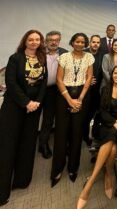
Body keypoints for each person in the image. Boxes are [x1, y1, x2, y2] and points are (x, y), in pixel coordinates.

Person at [77, 65, 117, 209]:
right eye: (115, 73)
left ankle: (90, 182)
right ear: (111, 75)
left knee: (113, 138)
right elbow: (102, 111)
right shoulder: (105, 89)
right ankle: (108, 174)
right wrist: (113, 123)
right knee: (113, 147)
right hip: (106, 124)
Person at [0, 29, 47, 206]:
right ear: (25, 41)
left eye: (37, 39)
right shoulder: (15, 58)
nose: (34, 42)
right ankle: (2, 191)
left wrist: (37, 103)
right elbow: (11, 83)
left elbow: (43, 83)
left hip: (33, 109)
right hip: (14, 108)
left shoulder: (42, 59)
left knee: (27, 144)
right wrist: (26, 102)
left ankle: (21, 180)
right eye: (31, 39)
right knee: (7, 146)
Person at [51, 33, 94, 187]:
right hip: (64, 96)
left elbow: (89, 78)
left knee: (77, 133)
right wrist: (70, 100)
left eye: (83, 42)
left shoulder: (89, 57)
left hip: (82, 96)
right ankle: (57, 169)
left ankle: (72, 168)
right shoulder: (64, 57)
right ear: (72, 42)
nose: (80, 44)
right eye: (77, 41)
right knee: (61, 133)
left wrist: (80, 100)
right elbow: (58, 79)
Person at [38, 30, 67, 159]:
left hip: (60, 89)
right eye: (51, 40)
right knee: (48, 118)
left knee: (61, 117)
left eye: (56, 40)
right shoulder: (40, 53)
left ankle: (61, 145)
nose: (54, 42)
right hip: (43, 90)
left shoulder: (65, 52)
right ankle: (43, 145)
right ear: (46, 41)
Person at [82, 35, 105, 146]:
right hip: (84, 90)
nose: (95, 44)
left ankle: (94, 135)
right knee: (85, 115)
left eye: (98, 42)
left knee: (96, 114)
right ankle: (84, 136)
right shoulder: (84, 53)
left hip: (98, 91)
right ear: (90, 43)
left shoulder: (102, 55)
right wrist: (87, 79)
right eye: (93, 42)